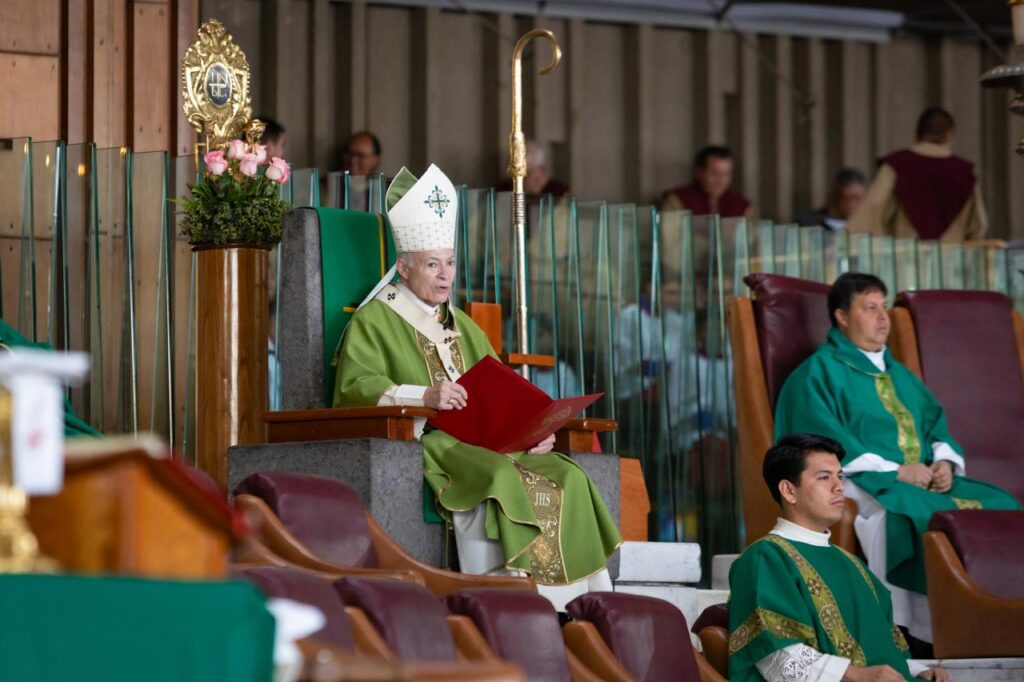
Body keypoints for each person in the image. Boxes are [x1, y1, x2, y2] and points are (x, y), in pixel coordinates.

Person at [332, 164, 621, 610]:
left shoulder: (462, 324)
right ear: (404, 268)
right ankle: (510, 601)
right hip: (436, 442)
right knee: (498, 475)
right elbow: (356, 386)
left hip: (492, 441)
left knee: (570, 474)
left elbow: (502, 388)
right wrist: (424, 396)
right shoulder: (373, 320)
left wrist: (535, 428)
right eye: (432, 265)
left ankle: (584, 605)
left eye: (450, 263)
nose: (445, 276)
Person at [773, 273, 1019, 643]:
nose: (882, 317)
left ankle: (996, 615)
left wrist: (944, 464)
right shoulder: (816, 374)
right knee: (907, 515)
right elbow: (819, 441)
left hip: (924, 480)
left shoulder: (900, 374)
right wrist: (897, 471)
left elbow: (936, 423)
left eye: (884, 307)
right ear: (841, 316)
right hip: (861, 479)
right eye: (870, 308)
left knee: (1003, 504)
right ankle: (918, 629)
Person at [729, 433, 949, 682]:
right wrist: (857, 676)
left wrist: (920, 670)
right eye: (824, 477)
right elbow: (777, 659)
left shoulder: (854, 565)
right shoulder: (765, 558)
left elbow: (883, 653)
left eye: (840, 476)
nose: (839, 487)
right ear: (789, 490)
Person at [847, 107, 987, 242]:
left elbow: (868, 218)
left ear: (915, 135)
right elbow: (978, 226)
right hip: (952, 260)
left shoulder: (898, 165)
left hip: (907, 259)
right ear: (948, 137)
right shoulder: (964, 172)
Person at [660, 145, 753, 218]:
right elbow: (670, 238)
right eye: (714, 173)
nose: (720, 181)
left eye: (725, 174)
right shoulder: (677, 200)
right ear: (699, 172)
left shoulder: (742, 206)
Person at [795, 168, 867, 230]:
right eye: (847, 199)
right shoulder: (811, 223)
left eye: (857, 198)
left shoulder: (869, 223)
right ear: (835, 198)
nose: (851, 204)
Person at [496, 141, 570, 198]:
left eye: (526, 173)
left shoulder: (560, 194)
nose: (519, 180)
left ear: (541, 171)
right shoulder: (502, 192)